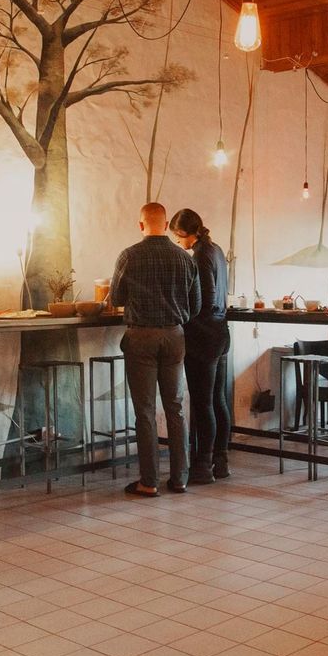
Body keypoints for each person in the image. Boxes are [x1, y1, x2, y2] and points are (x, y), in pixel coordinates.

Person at [110, 202, 200, 497]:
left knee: (145, 411)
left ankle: (149, 482)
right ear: (165, 225)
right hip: (175, 337)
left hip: (142, 338)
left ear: (141, 225)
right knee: (175, 408)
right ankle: (180, 479)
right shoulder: (184, 259)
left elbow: (117, 297)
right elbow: (195, 304)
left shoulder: (129, 255)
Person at [169, 208, 232, 483]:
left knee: (203, 402)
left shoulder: (198, 255)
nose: (177, 241)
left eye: (176, 236)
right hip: (220, 332)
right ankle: (221, 460)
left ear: (184, 233)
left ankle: (202, 465)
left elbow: (204, 299)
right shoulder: (216, 249)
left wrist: (183, 313)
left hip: (203, 336)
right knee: (218, 400)